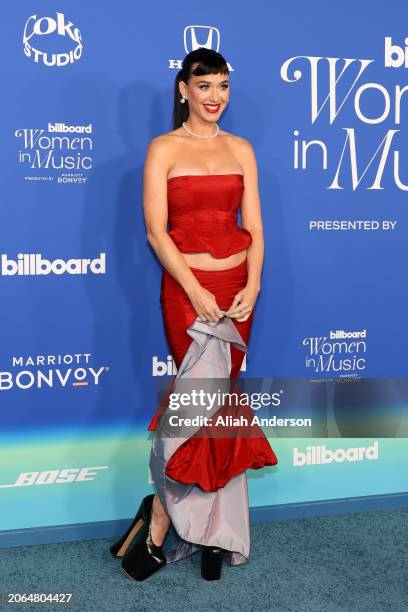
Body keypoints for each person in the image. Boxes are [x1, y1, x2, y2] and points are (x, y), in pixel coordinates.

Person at [110, 47, 278, 581]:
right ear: (183, 88)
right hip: (188, 292)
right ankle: (161, 514)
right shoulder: (163, 148)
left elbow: (254, 224)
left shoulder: (242, 148)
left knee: (219, 412)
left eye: (223, 86)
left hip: (237, 292)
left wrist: (253, 282)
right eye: (204, 86)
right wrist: (194, 288)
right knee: (194, 412)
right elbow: (157, 232)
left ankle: (213, 533)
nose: (215, 97)